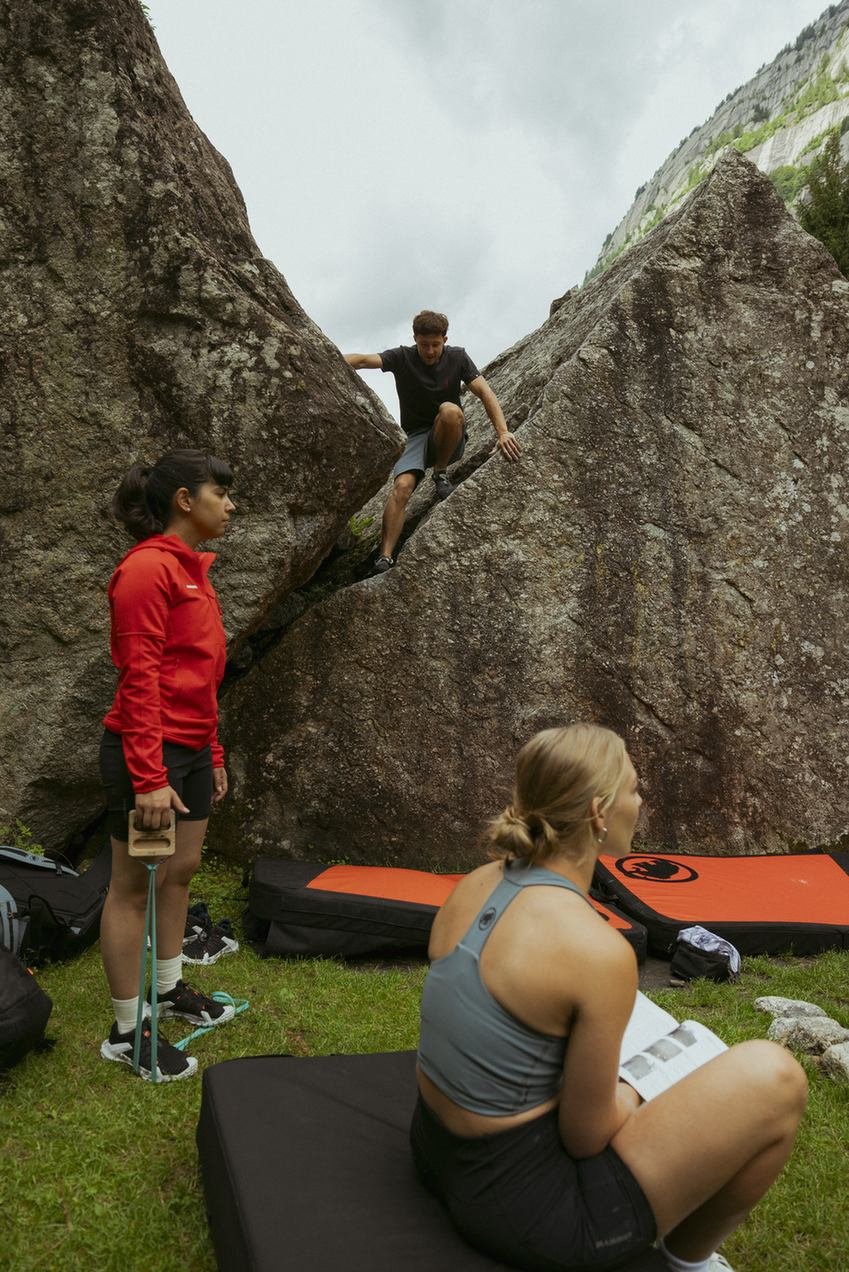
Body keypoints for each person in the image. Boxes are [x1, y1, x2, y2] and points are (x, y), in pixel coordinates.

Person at [411, 724, 807, 1272]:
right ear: (600, 812)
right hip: (527, 1213)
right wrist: (644, 1086)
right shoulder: (596, 951)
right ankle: (687, 1261)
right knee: (776, 1077)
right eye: (635, 789)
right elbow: (585, 1136)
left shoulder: (476, 883)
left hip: (437, 1150)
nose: (641, 802)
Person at [98, 449, 237, 1082]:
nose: (230, 505)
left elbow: (201, 678)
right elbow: (141, 678)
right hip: (147, 757)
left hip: (188, 754)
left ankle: (168, 987)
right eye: (220, 493)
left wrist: (211, 754)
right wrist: (150, 778)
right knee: (135, 886)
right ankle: (127, 1031)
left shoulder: (195, 573)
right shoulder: (146, 571)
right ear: (184, 500)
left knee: (179, 871)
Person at [345, 310, 521, 573]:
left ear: (445, 339)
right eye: (423, 344)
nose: (429, 351)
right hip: (415, 436)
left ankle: (440, 474)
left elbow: (485, 392)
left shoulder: (457, 357)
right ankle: (384, 557)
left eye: (435, 345)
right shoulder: (402, 357)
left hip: (447, 434)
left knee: (450, 411)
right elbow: (361, 360)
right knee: (402, 487)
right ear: (414, 339)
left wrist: (503, 432)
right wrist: (318, 356)